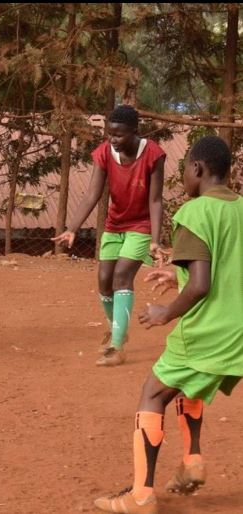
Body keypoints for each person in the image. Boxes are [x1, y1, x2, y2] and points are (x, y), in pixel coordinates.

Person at [93, 135, 243, 513]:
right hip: (238, 332)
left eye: (186, 172)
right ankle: (192, 461)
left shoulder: (193, 213)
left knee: (154, 393)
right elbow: (226, 267)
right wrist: (173, 276)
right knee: (189, 385)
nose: (184, 180)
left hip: (206, 333)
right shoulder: (240, 209)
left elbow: (202, 284)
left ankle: (141, 495)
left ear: (197, 169)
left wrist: (167, 311)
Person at [53, 105, 167, 366]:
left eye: (119, 135)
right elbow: (92, 194)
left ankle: (116, 347)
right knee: (104, 280)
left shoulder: (153, 154)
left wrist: (155, 239)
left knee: (121, 276)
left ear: (134, 131)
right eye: (110, 134)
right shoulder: (105, 152)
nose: (113, 140)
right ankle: (118, 329)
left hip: (141, 225)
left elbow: (156, 200)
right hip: (114, 224)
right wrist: (72, 228)